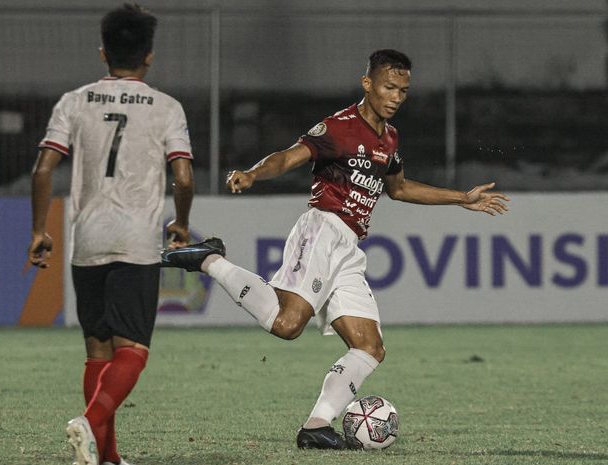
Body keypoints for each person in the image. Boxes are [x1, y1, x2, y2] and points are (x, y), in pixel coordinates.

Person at [161, 49, 510, 449]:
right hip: (323, 229)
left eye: (403, 90)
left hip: (349, 246)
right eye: (389, 87)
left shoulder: (389, 138)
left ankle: (316, 426)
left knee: (370, 346)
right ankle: (209, 260)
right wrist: (254, 174)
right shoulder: (340, 127)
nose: (396, 97)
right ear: (368, 84)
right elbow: (289, 157)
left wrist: (460, 198)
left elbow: (398, 188)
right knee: (286, 324)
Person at [27, 4, 200, 464]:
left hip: (87, 240)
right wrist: (181, 223)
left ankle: (107, 458)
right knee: (134, 350)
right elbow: (183, 177)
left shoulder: (74, 101)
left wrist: (40, 230)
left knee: (97, 349)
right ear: (150, 56)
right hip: (135, 241)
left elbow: (43, 169)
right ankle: (90, 420)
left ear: (103, 52)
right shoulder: (166, 107)